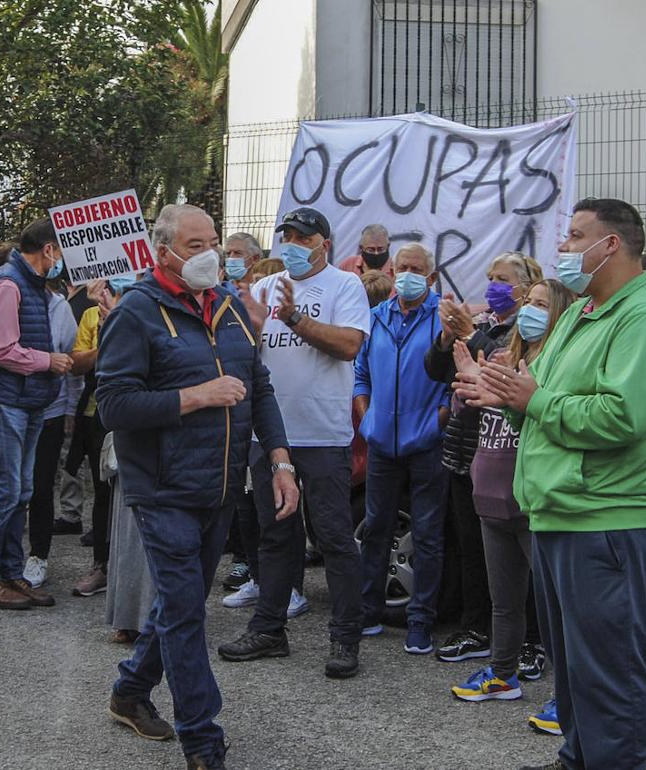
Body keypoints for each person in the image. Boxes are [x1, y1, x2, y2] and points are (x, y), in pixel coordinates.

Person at [458, 199, 646, 770]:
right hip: (558, 515)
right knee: (577, 673)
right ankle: (576, 757)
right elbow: (541, 400)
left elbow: (622, 417)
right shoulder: (585, 312)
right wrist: (506, 395)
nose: (561, 248)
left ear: (610, 245)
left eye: (575, 236)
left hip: (602, 522)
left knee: (608, 674)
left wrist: (531, 399)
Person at [97, 203, 296, 770]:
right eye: (195, 244)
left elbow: (258, 388)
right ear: (163, 254)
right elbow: (112, 405)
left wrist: (281, 460)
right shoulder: (134, 313)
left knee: (179, 603)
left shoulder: (231, 307)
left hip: (222, 485)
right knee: (187, 611)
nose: (210, 254)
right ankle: (203, 743)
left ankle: (130, 690)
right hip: (162, 490)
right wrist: (196, 397)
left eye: (214, 241)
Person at [220, 206, 371, 679]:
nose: (294, 245)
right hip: (274, 436)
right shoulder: (264, 287)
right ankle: (269, 629)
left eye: (303, 238)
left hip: (323, 435)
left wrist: (294, 319)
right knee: (275, 536)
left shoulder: (345, 287)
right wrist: (256, 327)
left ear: (324, 243)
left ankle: (345, 637)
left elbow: (349, 345)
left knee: (333, 537)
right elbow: (245, 351)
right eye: (287, 236)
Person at [445, 279, 574, 713]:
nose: (531, 311)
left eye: (542, 304)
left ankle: (568, 696)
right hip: (490, 496)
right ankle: (502, 675)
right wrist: (467, 384)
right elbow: (469, 411)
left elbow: (544, 419)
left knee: (555, 609)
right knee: (505, 602)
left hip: (533, 502)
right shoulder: (505, 356)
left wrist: (497, 394)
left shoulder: (558, 368)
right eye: (529, 303)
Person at [425, 251, 540, 664]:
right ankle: (476, 627)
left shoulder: (526, 331)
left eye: (503, 278)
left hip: (506, 454)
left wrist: (471, 333)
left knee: (523, 558)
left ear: (526, 288)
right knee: (473, 550)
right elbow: (438, 370)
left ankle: (530, 640)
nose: (493, 285)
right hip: (465, 452)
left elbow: (500, 367)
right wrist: (446, 339)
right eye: (490, 276)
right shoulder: (484, 324)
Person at [0, 220, 71, 609]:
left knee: (20, 490)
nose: (61, 259)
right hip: (7, 401)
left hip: (27, 401)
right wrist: (48, 361)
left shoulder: (28, 284)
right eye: (59, 250)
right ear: (47, 250)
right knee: (6, 489)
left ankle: (10, 573)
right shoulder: (9, 284)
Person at [353, 242, 450, 655]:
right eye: (401, 267)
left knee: (427, 535)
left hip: (427, 446)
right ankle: (369, 610)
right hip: (381, 444)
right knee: (375, 529)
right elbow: (361, 375)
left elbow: (453, 383)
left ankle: (420, 621)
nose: (407, 274)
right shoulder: (375, 318)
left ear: (430, 277)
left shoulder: (444, 320)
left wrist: (436, 423)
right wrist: (368, 418)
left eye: (416, 269)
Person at [22, 276, 80, 588]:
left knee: (41, 486)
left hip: (51, 412)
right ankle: (1, 554)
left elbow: (70, 363)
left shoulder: (60, 308)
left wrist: (70, 408)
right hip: (11, 409)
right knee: (7, 485)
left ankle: (38, 555)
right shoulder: (4, 299)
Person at [68, 279, 124, 597]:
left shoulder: (150, 306)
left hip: (142, 412)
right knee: (102, 492)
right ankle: (101, 565)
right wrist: (104, 340)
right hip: (99, 412)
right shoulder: (91, 314)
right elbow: (76, 364)